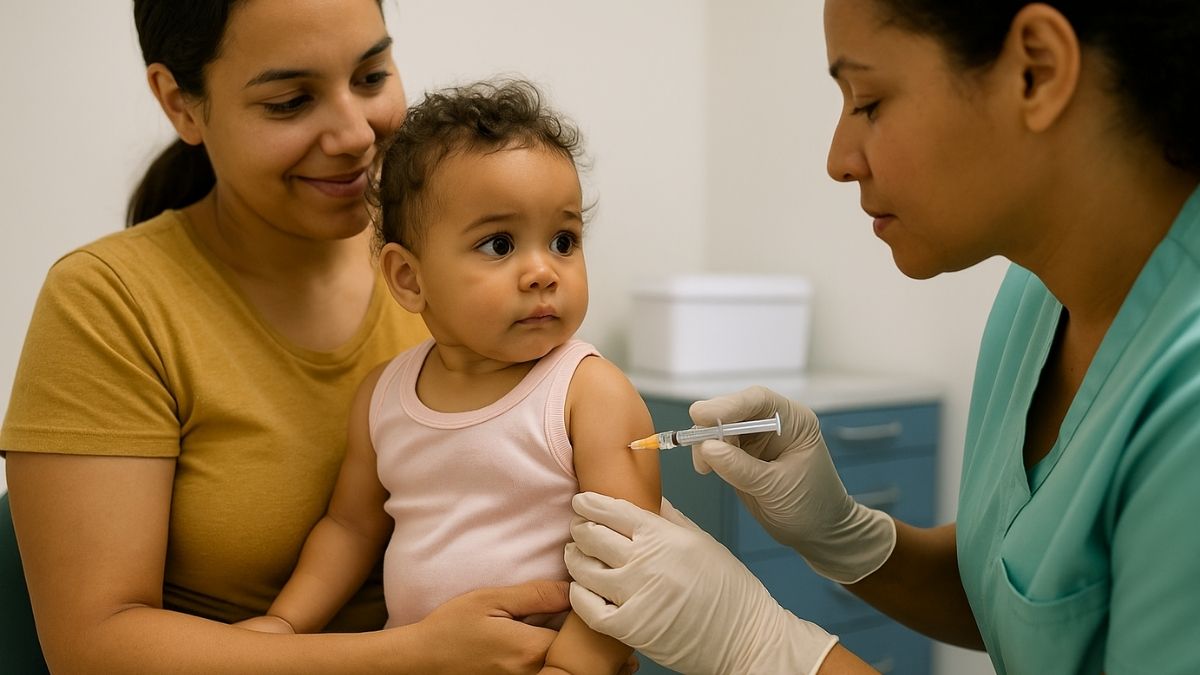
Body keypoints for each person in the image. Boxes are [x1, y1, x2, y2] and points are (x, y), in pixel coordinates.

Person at [564, 1, 1200, 673]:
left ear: (1035, 72)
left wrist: (758, 645)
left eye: (867, 101)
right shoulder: (1033, 301)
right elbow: (1042, 605)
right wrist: (843, 534)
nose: (838, 160)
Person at [0, 1, 585, 672]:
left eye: (370, 77)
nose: (355, 134)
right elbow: (94, 647)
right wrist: (412, 656)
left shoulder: (461, 259)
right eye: (289, 101)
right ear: (180, 103)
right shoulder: (111, 303)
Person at [236, 78, 661, 675]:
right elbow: (351, 528)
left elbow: (631, 564)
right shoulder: (383, 398)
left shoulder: (587, 393)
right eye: (499, 244)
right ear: (409, 279)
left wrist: (573, 669)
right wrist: (285, 624)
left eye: (563, 239)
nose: (542, 271)